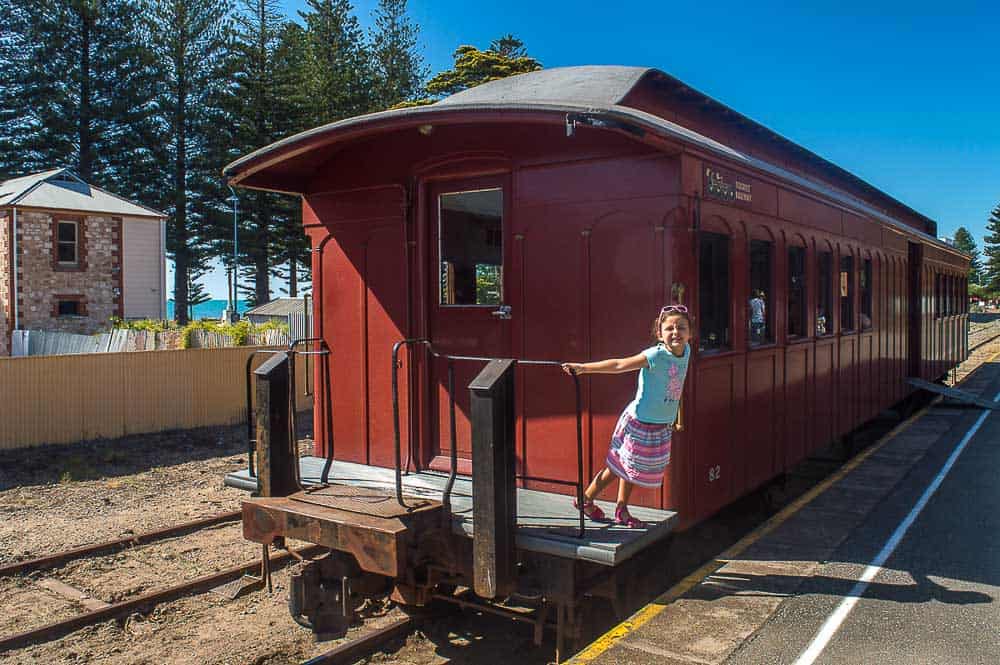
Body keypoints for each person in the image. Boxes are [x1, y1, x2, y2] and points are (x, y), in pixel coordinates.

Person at [561, 305, 692, 528]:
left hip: (659, 425)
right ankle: (585, 500)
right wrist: (583, 367)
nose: (675, 332)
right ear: (659, 334)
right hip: (639, 422)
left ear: (690, 334)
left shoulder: (686, 350)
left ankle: (621, 509)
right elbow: (619, 364)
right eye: (669, 328)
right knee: (618, 467)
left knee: (630, 468)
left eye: (681, 327)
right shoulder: (655, 355)